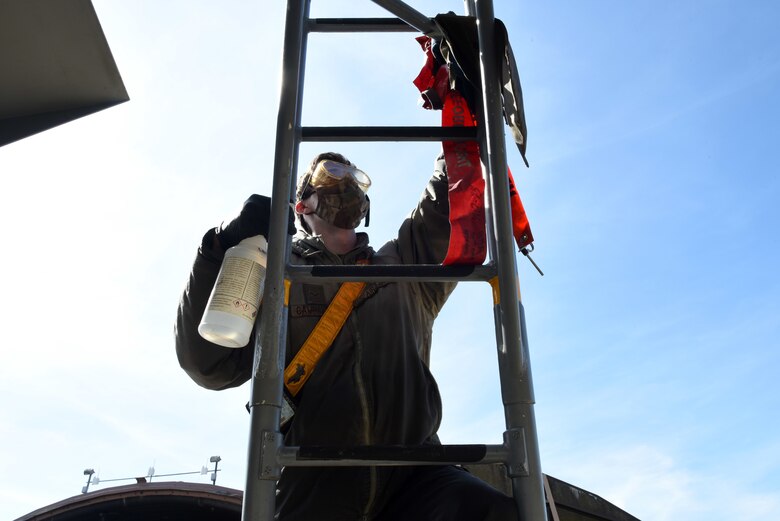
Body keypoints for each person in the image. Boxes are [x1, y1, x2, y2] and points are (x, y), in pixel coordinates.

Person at [175, 151, 519, 520]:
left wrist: (460, 122)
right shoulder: (275, 280)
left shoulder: (404, 269)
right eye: (332, 171)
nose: (347, 180)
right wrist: (218, 248)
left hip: (416, 475)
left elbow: (445, 204)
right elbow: (208, 365)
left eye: (353, 174)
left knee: (487, 511)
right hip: (314, 482)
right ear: (301, 204)